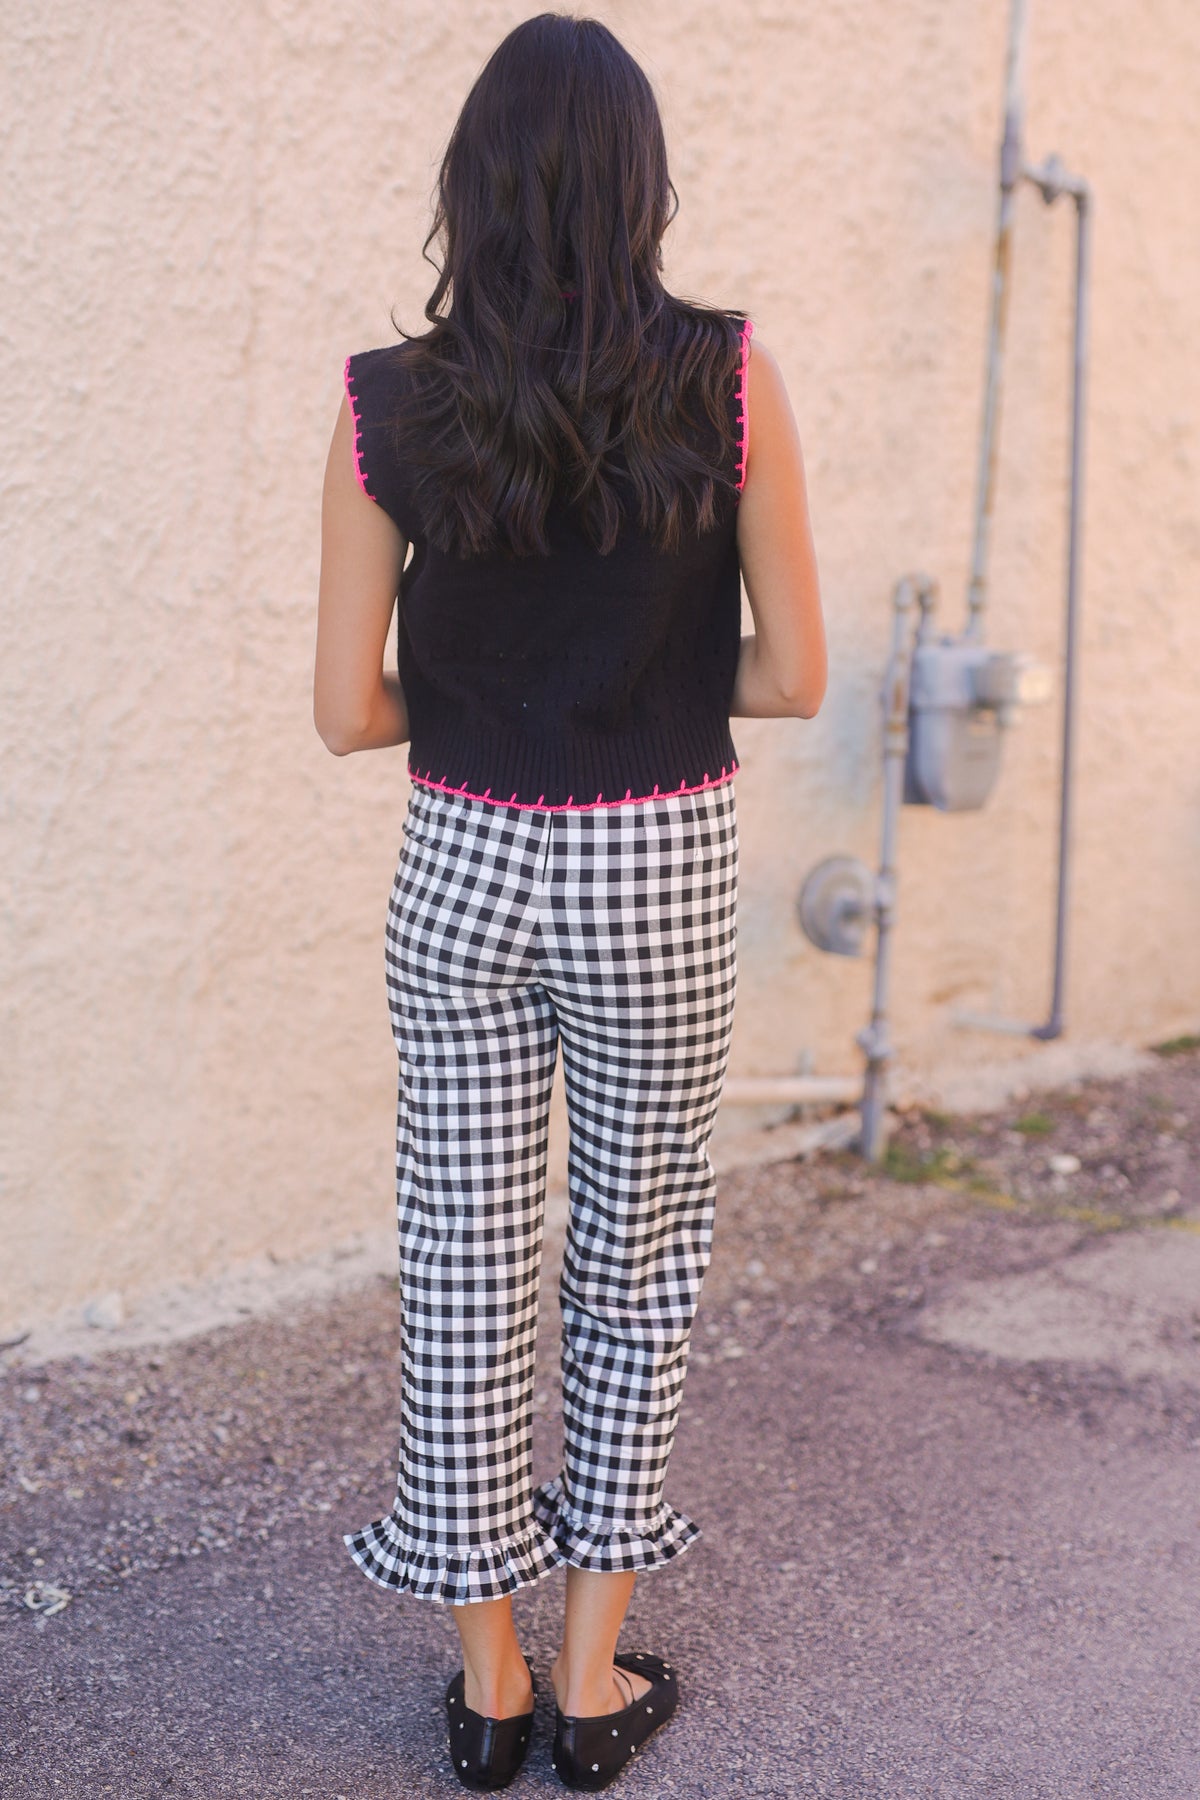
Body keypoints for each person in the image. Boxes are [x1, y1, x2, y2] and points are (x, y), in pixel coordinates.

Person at [313, 12, 824, 1791]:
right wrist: (651, 680)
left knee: (462, 1260)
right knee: (637, 1256)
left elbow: (341, 712)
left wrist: (482, 706)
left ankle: (490, 1689)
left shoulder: (391, 399)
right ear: (639, 183)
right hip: (654, 859)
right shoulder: (730, 375)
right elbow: (799, 677)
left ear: (476, 184)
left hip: (461, 852)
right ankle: (596, 1681)